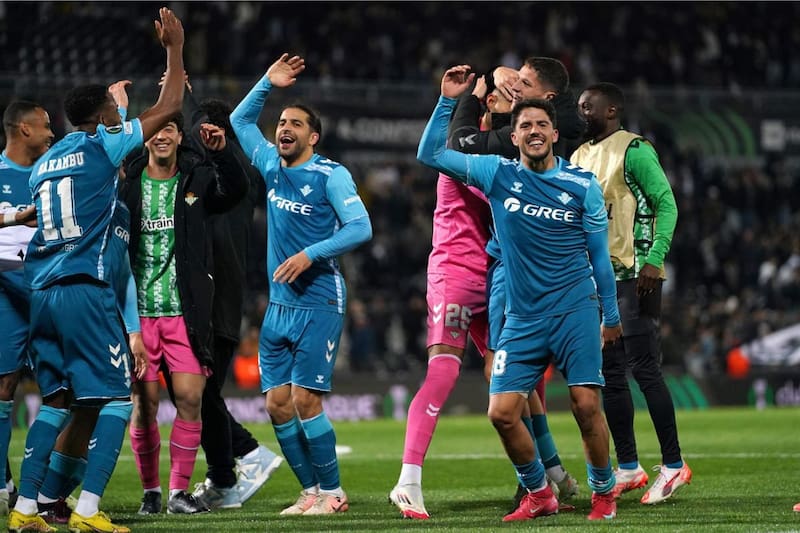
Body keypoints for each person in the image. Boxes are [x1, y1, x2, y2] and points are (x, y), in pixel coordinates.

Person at [7, 7, 186, 533]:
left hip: (41, 291)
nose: (119, 114)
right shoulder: (104, 143)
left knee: (58, 401)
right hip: (85, 289)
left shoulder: (44, 162)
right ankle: (87, 511)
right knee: (113, 398)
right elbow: (171, 104)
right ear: (103, 117)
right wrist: (174, 49)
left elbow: (54, 208)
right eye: (113, 109)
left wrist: (113, 108)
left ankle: (25, 510)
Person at [417, 65, 622, 522]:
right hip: (523, 317)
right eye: (524, 125)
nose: (533, 131)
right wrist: (449, 101)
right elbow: (430, 153)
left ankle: (604, 492)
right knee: (502, 412)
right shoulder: (495, 173)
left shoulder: (581, 185)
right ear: (513, 135)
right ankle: (539, 492)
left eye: (541, 125)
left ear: (554, 133)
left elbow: (600, 258)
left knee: (586, 404)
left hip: (574, 310)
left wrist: (610, 315)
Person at [231, 53, 372, 516]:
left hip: (318, 301)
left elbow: (359, 227)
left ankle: (333, 493)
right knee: (275, 404)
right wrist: (268, 83)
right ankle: (310, 490)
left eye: (295, 123)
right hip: (279, 305)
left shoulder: (331, 175)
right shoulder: (271, 165)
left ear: (313, 136)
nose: (284, 128)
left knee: (305, 399)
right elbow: (240, 118)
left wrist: (311, 253)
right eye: (282, 122)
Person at [448, 61, 581, 510]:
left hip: (519, 272)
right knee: (519, 383)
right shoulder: (528, 129)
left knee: (502, 379)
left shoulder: (519, 135)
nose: (512, 85)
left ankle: (540, 481)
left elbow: (458, 144)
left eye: (523, 84)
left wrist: (469, 100)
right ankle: (554, 472)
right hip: (509, 266)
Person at [120, 96, 248, 515]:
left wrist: (222, 150)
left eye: (169, 130)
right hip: (141, 314)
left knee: (191, 399)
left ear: (178, 138)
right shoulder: (129, 186)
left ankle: (178, 493)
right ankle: (151, 491)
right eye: (155, 130)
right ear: (146, 138)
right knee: (146, 406)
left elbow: (237, 189)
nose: (161, 136)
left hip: (184, 314)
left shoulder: (196, 182)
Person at [571, 82, 690, 504]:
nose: (581, 111)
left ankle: (674, 465)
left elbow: (666, 203)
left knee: (644, 368)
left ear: (612, 109)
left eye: (589, 106)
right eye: (579, 106)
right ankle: (628, 466)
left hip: (638, 273)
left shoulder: (634, 149)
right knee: (611, 375)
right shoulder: (579, 155)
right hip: (598, 278)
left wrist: (656, 260)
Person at [180, 92, 283, 510]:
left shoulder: (227, 172)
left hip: (216, 298)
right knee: (197, 391)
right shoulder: (233, 164)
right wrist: (183, 92)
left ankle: (244, 457)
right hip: (218, 294)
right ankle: (225, 476)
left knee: (197, 391)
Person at [0, 101, 54, 516]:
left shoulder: (49, 172)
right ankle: (3, 482)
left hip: (48, 285)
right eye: (45, 126)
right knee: (4, 388)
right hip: (6, 289)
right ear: (23, 129)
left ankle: (50, 486)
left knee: (66, 388)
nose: (51, 134)